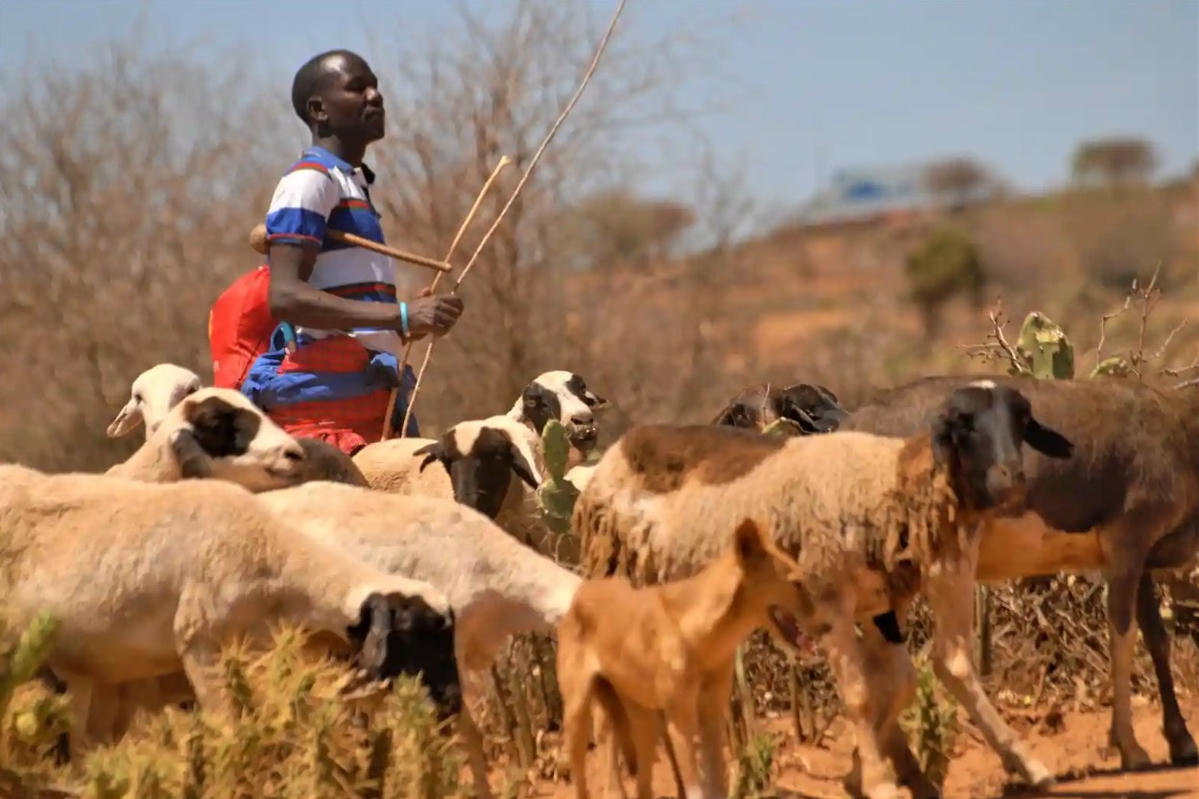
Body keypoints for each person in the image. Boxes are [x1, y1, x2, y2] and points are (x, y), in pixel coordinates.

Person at [239, 49, 464, 455]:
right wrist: (399, 314)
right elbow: (285, 297)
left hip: (368, 401)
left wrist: (406, 323)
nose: (376, 96)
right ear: (318, 109)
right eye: (358, 87)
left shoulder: (351, 184)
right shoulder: (310, 181)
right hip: (330, 420)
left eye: (376, 85)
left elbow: (347, 310)